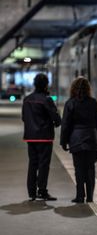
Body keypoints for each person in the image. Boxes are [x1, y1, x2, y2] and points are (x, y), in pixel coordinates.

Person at [60, 77, 97, 203]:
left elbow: (66, 124)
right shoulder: (93, 102)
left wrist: (63, 141)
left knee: (78, 168)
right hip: (91, 138)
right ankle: (90, 196)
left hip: (76, 139)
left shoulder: (70, 103)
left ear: (73, 89)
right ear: (88, 89)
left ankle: (79, 196)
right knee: (90, 168)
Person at [22, 73, 61, 201]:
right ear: (46, 85)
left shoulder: (27, 99)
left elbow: (24, 118)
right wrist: (56, 120)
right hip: (44, 137)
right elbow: (56, 118)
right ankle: (42, 191)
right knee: (44, 165)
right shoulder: (46, 100)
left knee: (33, 164)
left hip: (30, 137)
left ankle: (32, 192)